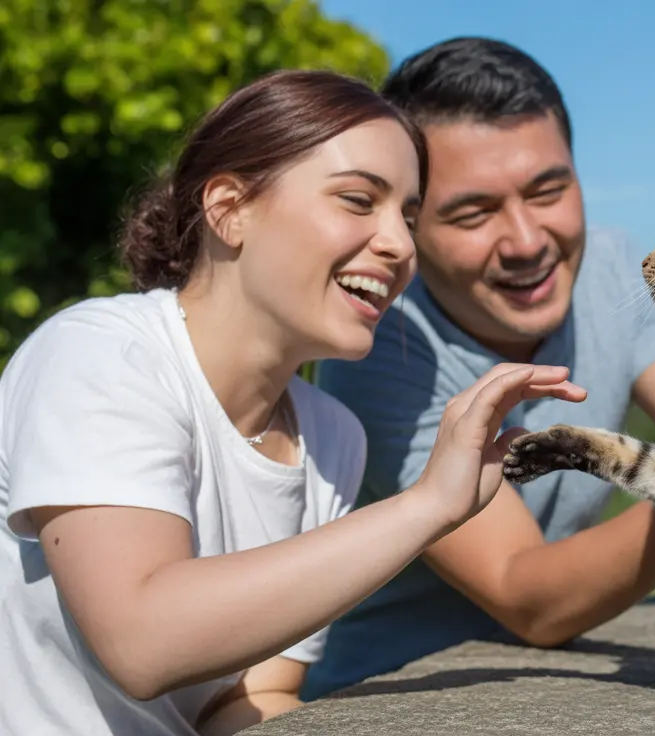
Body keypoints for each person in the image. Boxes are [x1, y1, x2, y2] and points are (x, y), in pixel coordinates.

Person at [0, 68, 585, 736]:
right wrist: (430, 504)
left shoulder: (333, 435)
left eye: (409, 216)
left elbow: (246, 699)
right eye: (359, 200)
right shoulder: (101, 355)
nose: (399, 244)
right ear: (228, 208)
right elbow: (142, 641)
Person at [300, 37, 655, 699]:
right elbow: (528, 595)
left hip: (556, 686)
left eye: (548, 191)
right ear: (408, 223)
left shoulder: (610, 266)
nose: (526, 243)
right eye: (473, 212)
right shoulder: (381, 349)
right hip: (393, 697)